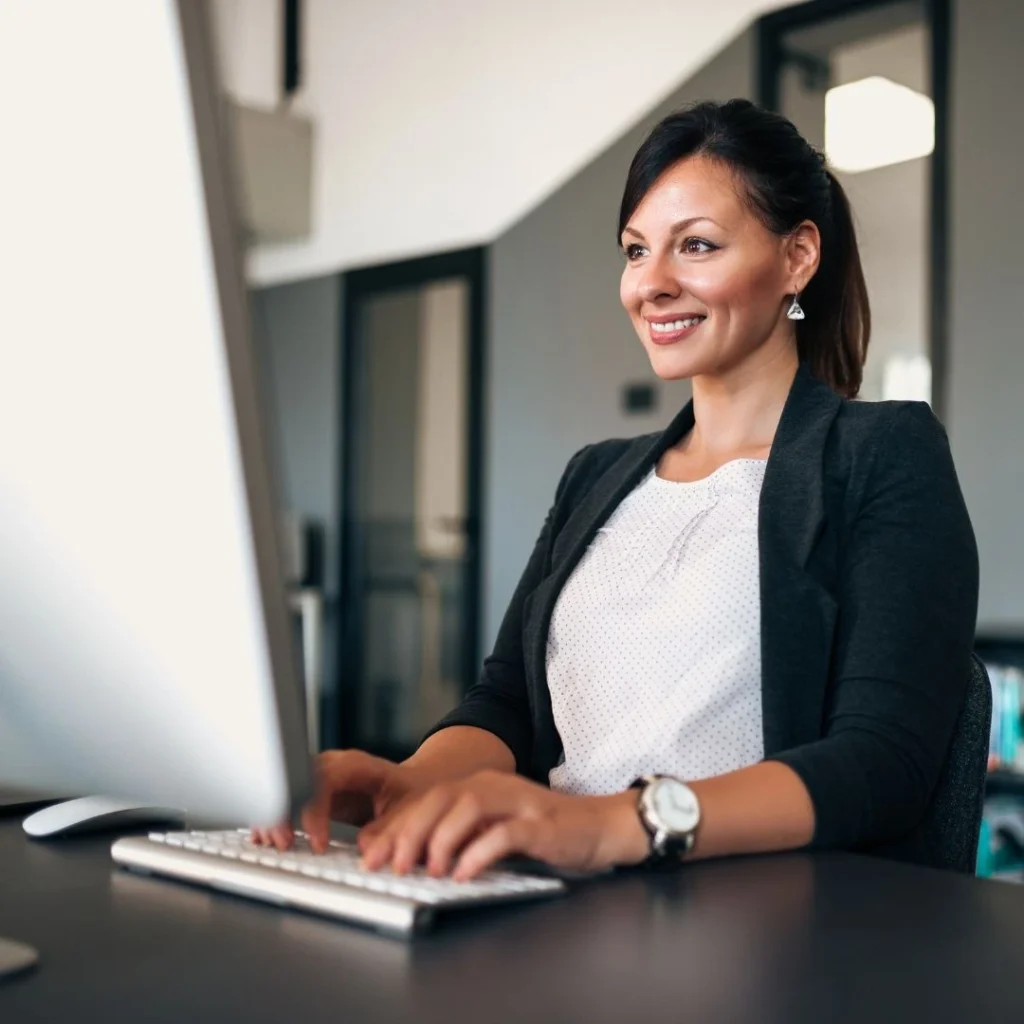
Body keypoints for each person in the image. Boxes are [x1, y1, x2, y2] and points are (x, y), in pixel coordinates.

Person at [256, 98, 979, 881]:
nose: (651, 284)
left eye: (695, 246)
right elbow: (507, 704)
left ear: (798, 257)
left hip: (752, 922)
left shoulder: (882, 453)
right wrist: (409, 781)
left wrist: (613, 824)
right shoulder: (596, 475)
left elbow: (881, 764)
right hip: (552, 896)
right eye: (636, 251)